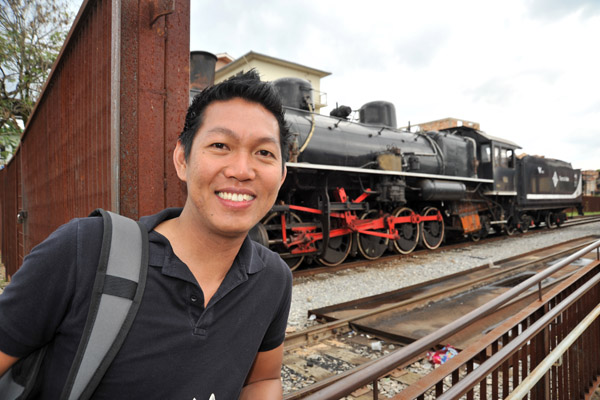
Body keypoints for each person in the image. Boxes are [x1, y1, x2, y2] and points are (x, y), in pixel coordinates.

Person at [0, 69, 293, 399]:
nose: (241, 170)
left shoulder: (274, 280)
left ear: (282, 175)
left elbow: (262, 380)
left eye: (264, 153)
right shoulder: (83, 250)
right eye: (220, 145)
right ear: (182, 159)